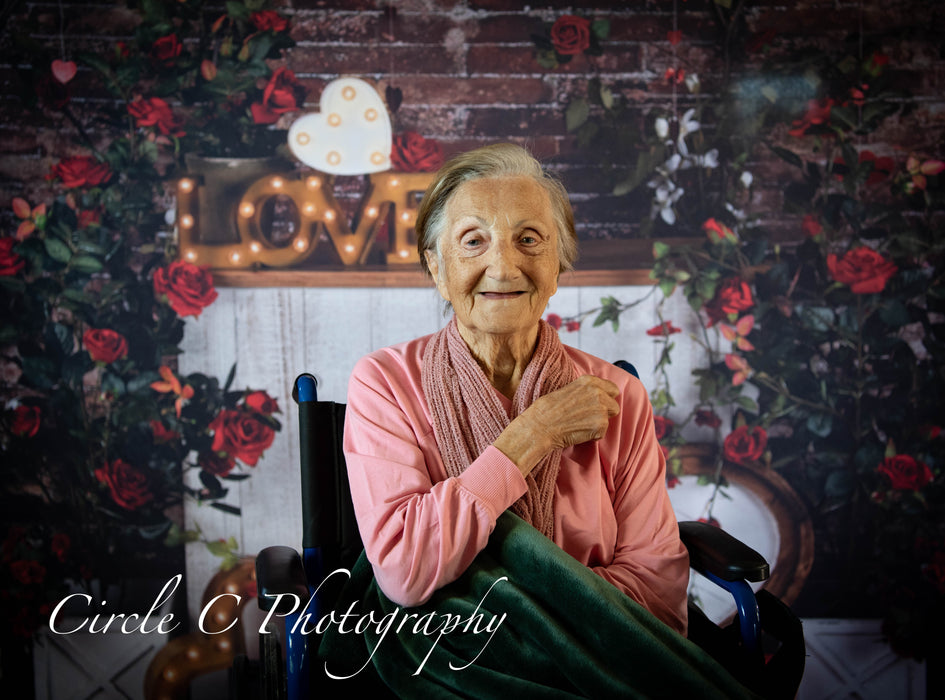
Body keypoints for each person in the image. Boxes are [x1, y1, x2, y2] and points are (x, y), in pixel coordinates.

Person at [342, 143, 689, 637]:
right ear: (437, 270)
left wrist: (532, 625)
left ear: (558, 267)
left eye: (529, 240)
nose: (504, 267)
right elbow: (404, 571)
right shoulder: (385, 383)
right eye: (473, 241)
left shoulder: (617, 396)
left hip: (596, 659)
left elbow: (658, 590)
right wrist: (533, 434)